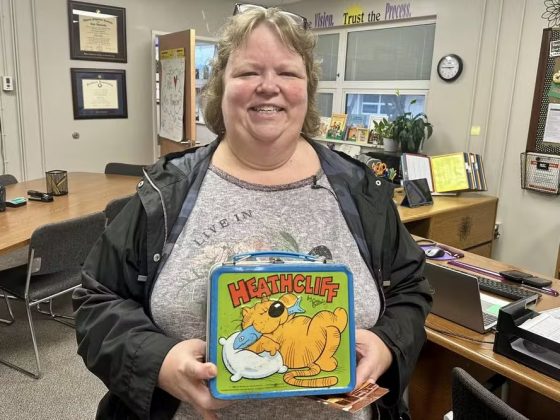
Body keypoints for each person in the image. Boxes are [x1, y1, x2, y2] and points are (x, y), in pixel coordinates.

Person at [73, 5, 432, 420]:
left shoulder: (361, 189)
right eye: (247, 73)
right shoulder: (167, 192)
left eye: (288, 73)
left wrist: (388, 343)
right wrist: (160, 360)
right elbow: (95, 300)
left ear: (307, 90)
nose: (268, 86)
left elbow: (411, 290)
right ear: (220, 87)